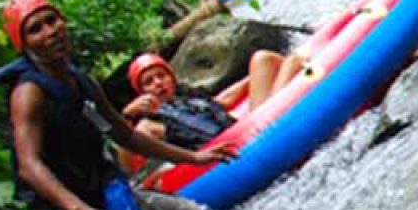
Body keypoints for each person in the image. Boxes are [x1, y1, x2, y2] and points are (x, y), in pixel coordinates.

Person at [0, 0, 233, 210]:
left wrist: (193, 158)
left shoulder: (80, 80)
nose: (50, 31)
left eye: (52, 20)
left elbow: (124, 134)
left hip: (97, 193)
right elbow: (29, 165)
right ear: (24, 45)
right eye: (35, 29)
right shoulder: (29, 94)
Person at [120, 51, 303, 150]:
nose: (158, 83)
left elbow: (223, 101)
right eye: (149, 82)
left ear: (171, 77)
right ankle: (312, 69)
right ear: (142, 93)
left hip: (244, 129)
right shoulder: (150, 124)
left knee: (262, 59)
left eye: (161, 76)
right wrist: (127, 116)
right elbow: (129, 157)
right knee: (293, 62)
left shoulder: (186, 98)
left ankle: (313, 65)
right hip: (242, 144)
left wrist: (254, 76)